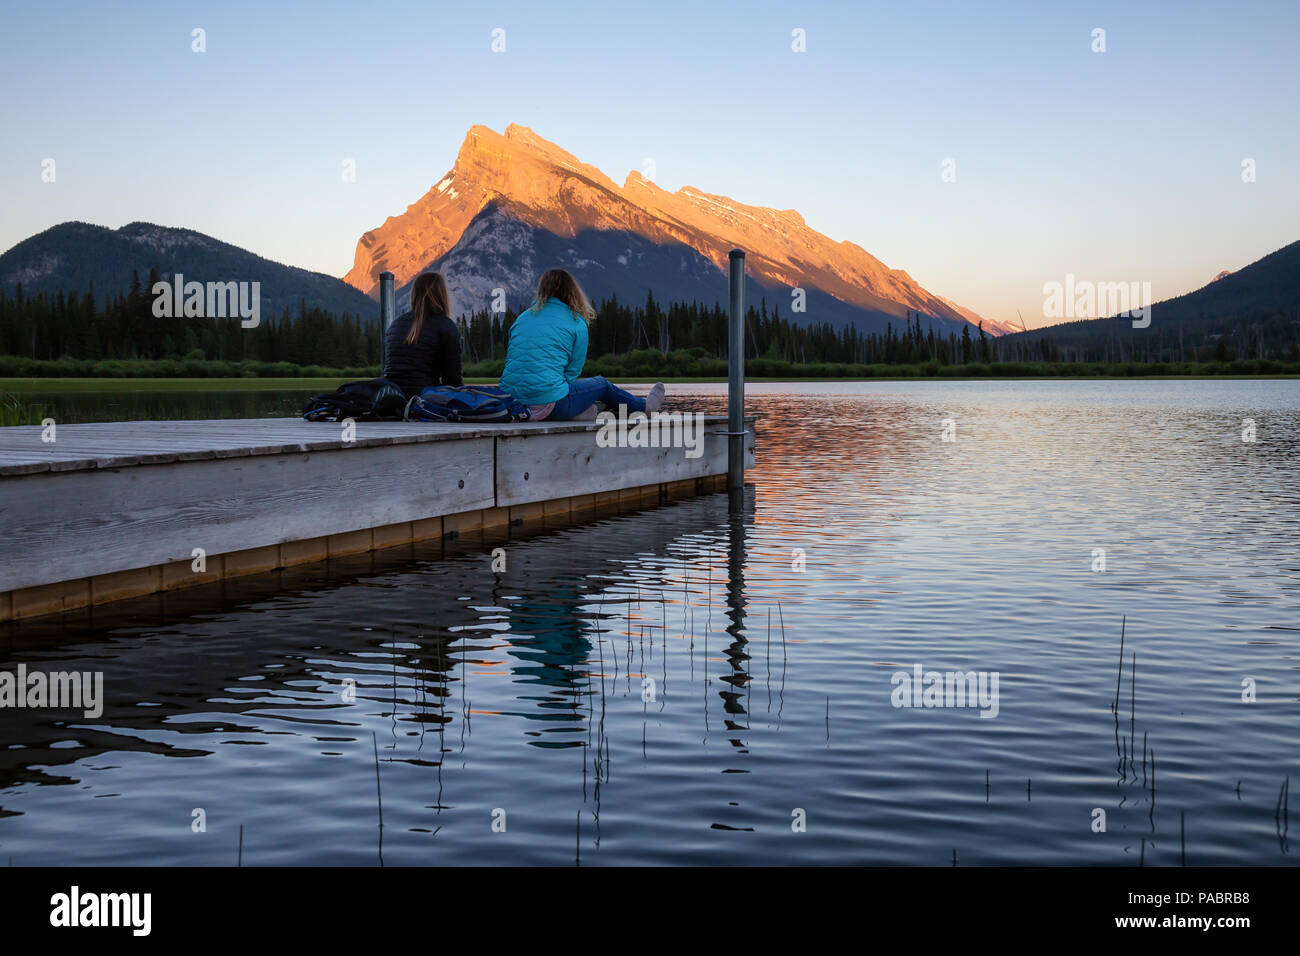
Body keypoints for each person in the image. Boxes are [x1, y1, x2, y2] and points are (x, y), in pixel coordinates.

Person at [498, 269, 663, 421]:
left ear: (542, 290)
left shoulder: (521, 318)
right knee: (601, 384)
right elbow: (573, 372)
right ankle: (645, 408)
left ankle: (580, 412)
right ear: (572, 291)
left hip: (511, 403)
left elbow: (515, 358)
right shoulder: (576, 321)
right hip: (550, 404)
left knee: (567, 395)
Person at [382, 272, 463, 396]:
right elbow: (453, 382)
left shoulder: (395, 324)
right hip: (424, 402)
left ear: (414, 294)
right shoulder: (445, 326)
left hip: (392, 399)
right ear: (442, 295)